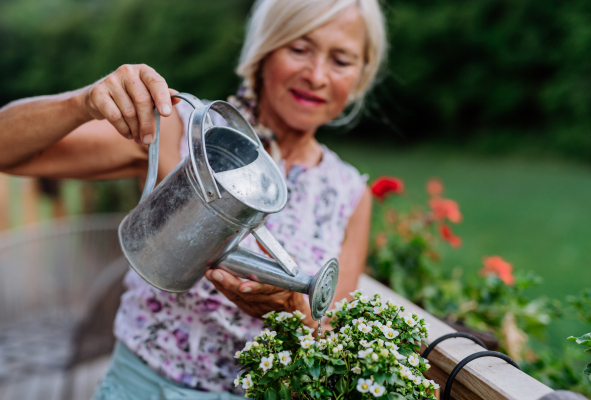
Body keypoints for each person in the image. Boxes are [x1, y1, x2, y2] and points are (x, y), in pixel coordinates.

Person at [0, 0, 387, 397]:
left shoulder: (348, 194)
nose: (317, 75)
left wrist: (289, 307)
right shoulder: (184, 132)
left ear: (361, 75)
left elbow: (328, 330)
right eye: (299, 49)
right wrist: (82, 103)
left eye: (341, 60)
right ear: (264, 51)